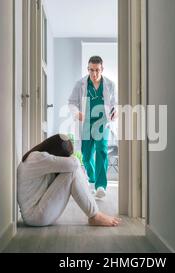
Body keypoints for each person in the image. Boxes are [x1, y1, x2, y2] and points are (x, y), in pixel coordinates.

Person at [17, 134, 121, 227]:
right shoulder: (39, 158)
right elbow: (74, 163)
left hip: (34, 214)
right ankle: (95, 215)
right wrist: (71, 157)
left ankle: (94, 213)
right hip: (35, 217)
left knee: (71, 169)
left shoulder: (35, 156)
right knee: (72, 170)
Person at [68, 56, 118, 199]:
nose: (94, 74)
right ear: (88, 69)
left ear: (102, 69)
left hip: (103, 122)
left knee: (102, 151)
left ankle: (101, 185)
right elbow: (71, 102)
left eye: (97, 70)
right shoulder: (81, 84)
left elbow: (116, 104)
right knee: (86, 155)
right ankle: (92, 179)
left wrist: (115, 113)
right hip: (86, 123)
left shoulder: (110, 85)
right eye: (91, 70)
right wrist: (77, 113)